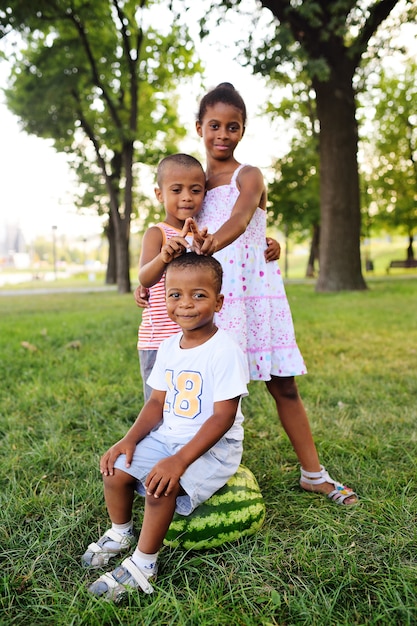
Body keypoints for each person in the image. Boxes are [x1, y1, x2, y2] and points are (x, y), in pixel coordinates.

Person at [191, 82, 357, 505]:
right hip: (216, 301)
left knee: (284, 387)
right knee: (214, 392)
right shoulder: (194, 184)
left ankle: (314, 474)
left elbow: (244, 218)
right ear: (199, 128)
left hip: (257, 299)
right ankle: (203, 477)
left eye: (233, 126)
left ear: (243, 131)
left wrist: (229, 243)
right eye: (215, 125)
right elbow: (175, 229)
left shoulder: (250, 175)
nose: (223, 134)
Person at [82, 252, 249, 601]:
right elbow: (156, 402)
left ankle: (144, 563)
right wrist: (129, 439)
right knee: (115, 470)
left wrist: (180, 460)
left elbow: (223, 416)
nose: (185, 304)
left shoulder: (225, 350)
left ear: (219, 301)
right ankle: (121, 533)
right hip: (167, 437)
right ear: (164, 298)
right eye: (175, 295)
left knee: (161, 485)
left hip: (212, 448)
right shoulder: (168, 345)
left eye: (198, 295)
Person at [136, 151, 279, 401]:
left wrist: (268, 243)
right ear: (160, 195)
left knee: (192, 401)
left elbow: (234, 247)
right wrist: (163, 257)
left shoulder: (202, 235)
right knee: (158, 404)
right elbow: (145, 278)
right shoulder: (157, 233)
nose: (186, 198)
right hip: (158, 339)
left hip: (196, 337)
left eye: (195, 190)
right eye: (177, 190)